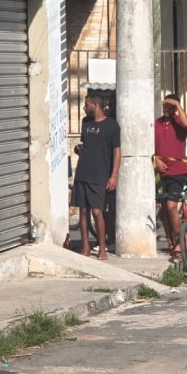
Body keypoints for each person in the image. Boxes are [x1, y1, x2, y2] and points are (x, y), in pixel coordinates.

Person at [71, 94, 120, 260]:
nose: (84, 107)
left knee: (97, 212)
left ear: (95, 106)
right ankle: (85, 246)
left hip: (100, 175)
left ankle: (102, 249)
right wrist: (79, 148)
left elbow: (117, 152)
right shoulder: (86, 122)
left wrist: (113, 176)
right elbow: (86, 144)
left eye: (87, 105)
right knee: (83, 211)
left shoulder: (112, 125)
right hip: (83, 172)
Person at [153, 94, 187, 257]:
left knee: (171, 205)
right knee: (162, 211)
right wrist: (155, 158)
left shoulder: (179, 123)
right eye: (165, 106)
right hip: (161, 174)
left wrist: (177, 104)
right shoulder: (156, 123)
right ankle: (170, 240)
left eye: (170, 106)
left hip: (178, 172)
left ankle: (179, 241)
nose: (167, 109)